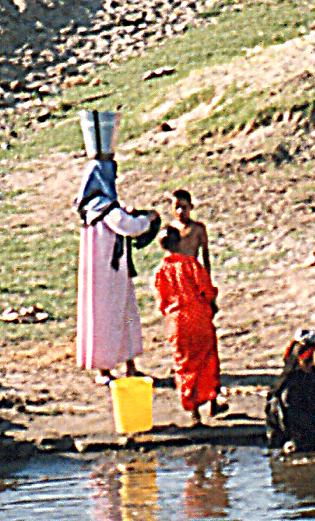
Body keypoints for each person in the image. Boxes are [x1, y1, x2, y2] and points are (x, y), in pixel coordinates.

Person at [75, 123, 159, 381]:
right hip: (107, 273)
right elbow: (128, 226)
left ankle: (129, 365)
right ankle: (105, 369)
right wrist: (149, 218)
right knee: (109, 318)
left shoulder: (91, 206)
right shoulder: (104, 206)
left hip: (112, 270)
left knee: (124, 315)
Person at [153, 226, 221, 426]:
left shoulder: (160, 271)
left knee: (184, 365)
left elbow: (161, 302)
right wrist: (211, 303)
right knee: (207, 359)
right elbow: (206, 289)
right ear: (180, 243)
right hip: (198, 317)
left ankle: (194, 412)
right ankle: (212, 398)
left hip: (177, 322)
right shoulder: (191, 264)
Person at [264, 336, 315, 455]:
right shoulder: (288, 384)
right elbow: (290, 414)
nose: (311, 365)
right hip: (293, 428)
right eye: (307, 361)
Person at [167, 188, 211, 271]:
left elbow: (205, 254)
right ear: (172, 208)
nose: (180, 211)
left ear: (191, 207)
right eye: (177, 207)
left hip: (192, 272)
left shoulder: (198, 228)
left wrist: (207, 278)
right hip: (174, 272)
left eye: (184, 207)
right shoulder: (170, 229)